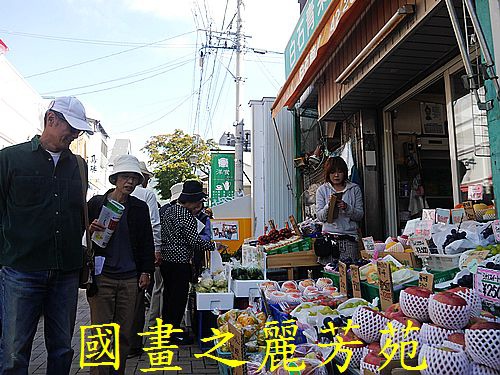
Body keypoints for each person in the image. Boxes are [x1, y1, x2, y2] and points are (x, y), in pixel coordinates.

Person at [0, 96, 92, 373]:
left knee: (63, 348)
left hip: (66, 271)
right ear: (51, 119)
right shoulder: (9, 159)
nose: (75, 135)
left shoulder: (78, 165)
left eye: (78, 130)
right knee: (14, 352)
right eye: (71, 127)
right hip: (21, 269)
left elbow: (78, 212)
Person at [87, 154, 154, 374]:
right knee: (101, 334)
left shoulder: (139, 208)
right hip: (102, 277)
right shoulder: (97, 203)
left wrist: (146, 271)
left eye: (134, 178)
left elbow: (147, 241)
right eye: (125, 176)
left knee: (124, 334)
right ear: (115, 178)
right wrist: (89, 230)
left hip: (130, 279)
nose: (130, 182)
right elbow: (78, 233)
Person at [160, 180, 215, 344]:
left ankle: (166, 331)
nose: (199, 205)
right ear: (192, 201)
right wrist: (214, 245)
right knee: (178, 299)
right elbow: (196, 242)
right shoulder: (187, 217)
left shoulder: (169, 211)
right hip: (180, 263)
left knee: (169, 298)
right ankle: (173, 334)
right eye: (199, 202)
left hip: (166, 261)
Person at [128, 161, 161, 357]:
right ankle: (133, 344)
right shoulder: (147, 195)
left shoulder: (111, 193)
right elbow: (154, 225)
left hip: (118, 256)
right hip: (140, 254)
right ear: (144, 178)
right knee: (136, 302)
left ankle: (116, 344)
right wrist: (156, 251)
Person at [315, 156, 364, 264]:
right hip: (328, 240)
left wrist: (347, 207)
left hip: (349, 240)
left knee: (349, 274)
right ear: (328, 173)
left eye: (340, 172)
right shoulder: (322, 190)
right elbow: (320, 217)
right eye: (332, 172)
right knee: (329, 274)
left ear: (345, 173)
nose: (336, 175)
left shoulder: (354, 189)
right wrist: (329, 205)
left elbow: (360, 215)